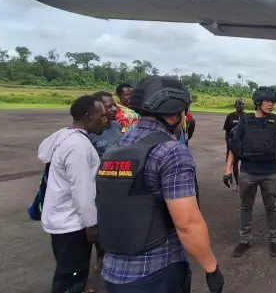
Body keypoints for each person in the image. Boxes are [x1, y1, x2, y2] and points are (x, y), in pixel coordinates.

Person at [96, 76, 224, 293]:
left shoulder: (116, 146)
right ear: (175, 115)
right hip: (156, 272)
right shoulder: (172, 151)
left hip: (114, 272)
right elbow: (187, 223)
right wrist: (211, 267)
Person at [37, 95, 108, 293]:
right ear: (87, 117)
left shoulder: (64, 135)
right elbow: (82, 190)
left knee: (69, 271)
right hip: (72, 224)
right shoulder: (78, 146)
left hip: (60, 218)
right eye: (101, 116)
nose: (105, 120)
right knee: (71, 277)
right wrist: (91, 224)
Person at [223, 87, 276, 257]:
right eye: (267, 101)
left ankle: (274, 239)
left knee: (271, 207)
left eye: (272, 101)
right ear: (258, 102)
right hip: (248, 172)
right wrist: (227, 169)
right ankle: (245, 240)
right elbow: (234, 146)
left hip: (269, 173)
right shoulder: (245, 120)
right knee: (246, 207)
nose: (270, 104)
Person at [87, 91, 124, 278]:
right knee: (98, 224)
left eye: (114, 105)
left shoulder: (117, 126)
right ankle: (101, 254)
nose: (114, 109)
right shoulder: (88, 134)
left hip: (118, 185)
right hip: (98, 186)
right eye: (108, 106)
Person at [222, 98, 245, 192]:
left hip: (244, 145)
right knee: (234, 165)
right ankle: (237, 184)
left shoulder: (247, 116)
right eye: (239, 104)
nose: (241, 106)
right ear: (235, 105)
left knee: (245, 165)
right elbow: (227, 131)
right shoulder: (230, 116)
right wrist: (228, 143)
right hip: (233, 145)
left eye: (242, 104)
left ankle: (245, 183)